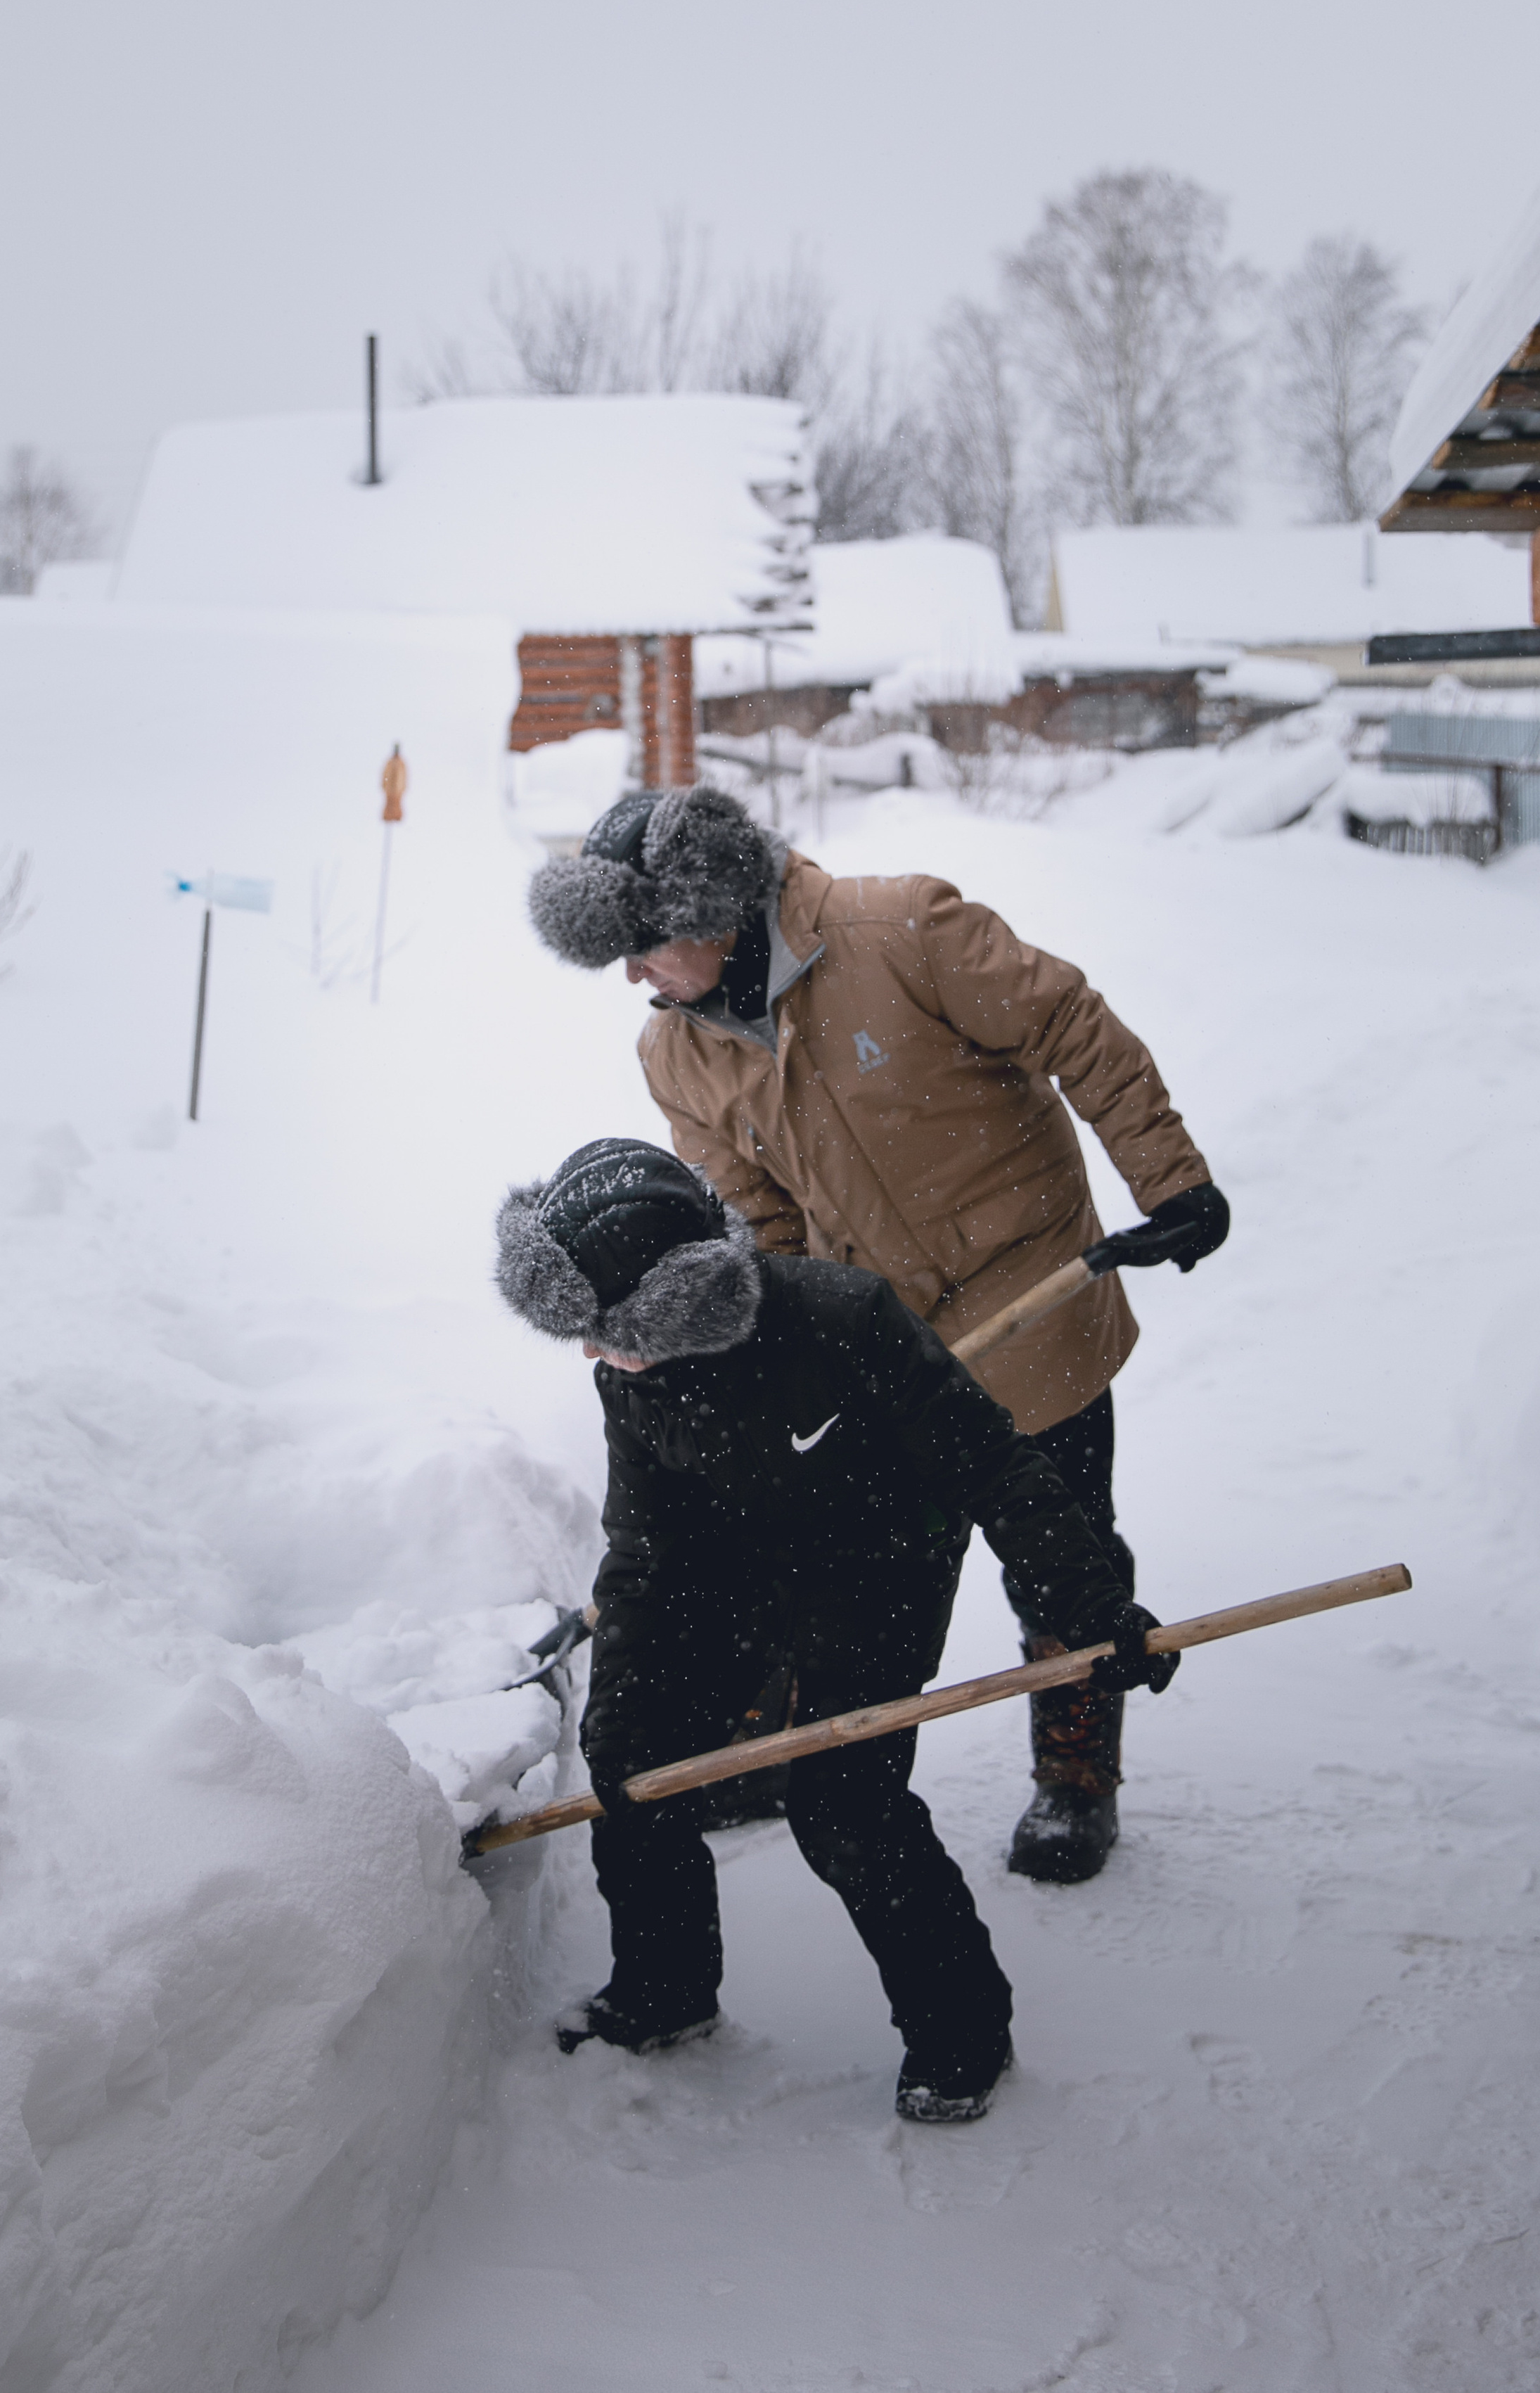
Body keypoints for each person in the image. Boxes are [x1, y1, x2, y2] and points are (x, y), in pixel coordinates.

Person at [527, 784, 1228, 1884]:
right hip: (884, 1343)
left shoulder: (899, 930)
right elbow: (752, 1220)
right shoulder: (677, 1056)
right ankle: (811, 1761)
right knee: (859, 1568)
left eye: (645, 947)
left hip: (1031, 1306)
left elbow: (1071, 1023)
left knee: (1060, 1550)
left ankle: (1075, 1773)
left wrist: (1171, 1178)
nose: (632, 976)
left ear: (712, 916)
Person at [494, 1137, 1179, 2122]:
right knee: (635, 1765)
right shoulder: (629, 1374)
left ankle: (961, 2028)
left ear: (675, 1302)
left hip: (880, 1566)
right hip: (730, 1562)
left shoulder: (842, 1317)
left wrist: (1091, 1608)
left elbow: (997, 1465)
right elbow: (644, 1548)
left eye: (606, 1330)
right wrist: (620, 1704)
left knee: (845, 1801)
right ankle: (666, 1987)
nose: (593, 1354)